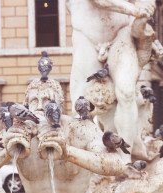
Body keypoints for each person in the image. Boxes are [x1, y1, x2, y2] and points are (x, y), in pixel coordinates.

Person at [0, 78, 143, 193]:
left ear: (59, 104)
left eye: (46, 100)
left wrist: (68, 152)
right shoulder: (16, 131)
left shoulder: (79, 128)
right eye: (34, 101)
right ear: (26, 104)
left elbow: (118, 165)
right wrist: (6, 152)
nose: (39, 107)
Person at [66, 0, 156, 158]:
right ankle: (85, 158)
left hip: (122, 34)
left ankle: (125, 159)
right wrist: (135, 9)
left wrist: (146, 7)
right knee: (80, 104)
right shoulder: (131, 9)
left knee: (127, 92)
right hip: (86, 35)